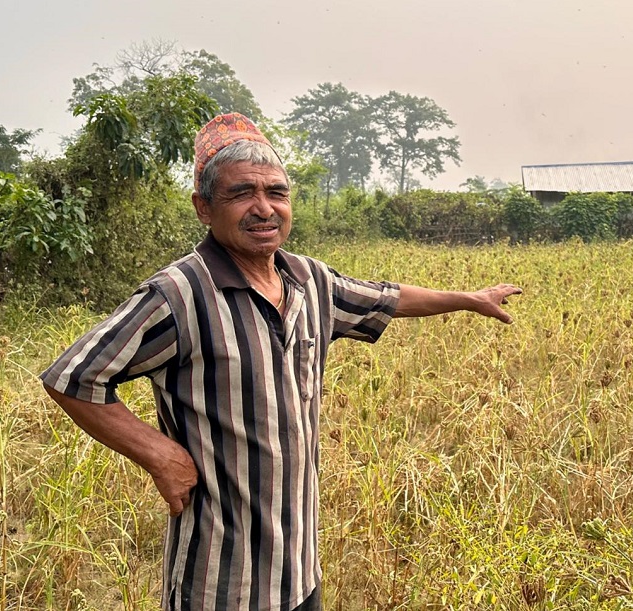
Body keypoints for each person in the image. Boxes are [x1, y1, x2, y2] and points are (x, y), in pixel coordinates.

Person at [41, 113, 521, 611]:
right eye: (241, 193)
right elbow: (73, 377)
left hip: (298, 570)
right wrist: (160, 455)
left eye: (277, 192)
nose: (264, 208)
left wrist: (467, 297)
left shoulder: (310, 281)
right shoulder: (179, 295)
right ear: (203, 207)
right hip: (220, 580)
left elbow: (387, 298)